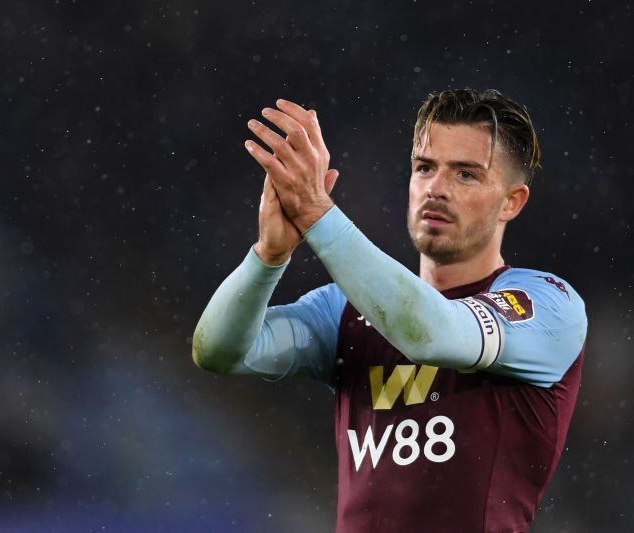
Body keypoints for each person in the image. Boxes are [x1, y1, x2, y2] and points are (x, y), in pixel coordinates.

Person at [191, 89, 587, 532]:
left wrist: (318, 214)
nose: (436, 189)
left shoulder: (547, 304)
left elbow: (431, 334)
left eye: (466, 175)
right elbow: (219, 351)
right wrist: (268, 257)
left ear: (511, 202)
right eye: (425, 168)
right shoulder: (343, 309)